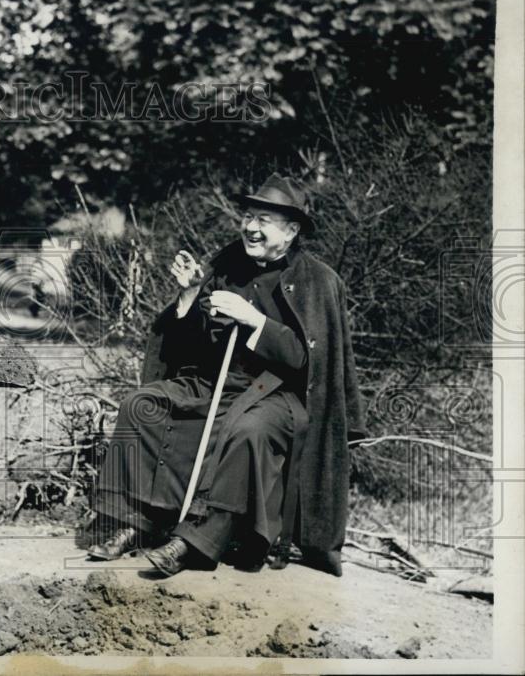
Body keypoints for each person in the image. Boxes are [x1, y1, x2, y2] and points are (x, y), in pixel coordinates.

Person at [87, 174, 364, 577]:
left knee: (249, 431)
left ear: (291, 231)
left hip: (274, 395)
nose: (251, 227)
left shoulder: (319, 281)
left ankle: (194, 541)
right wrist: (188, 296)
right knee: (142, 405)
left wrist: (253, 321)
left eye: (264, 220)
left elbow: (307, 362)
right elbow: (190, 347)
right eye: (248, 216)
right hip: (211, 381)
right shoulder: (225, 264)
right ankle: (134, 522)